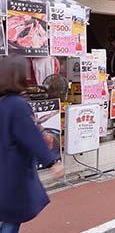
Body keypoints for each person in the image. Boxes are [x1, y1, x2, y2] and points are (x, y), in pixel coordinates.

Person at [0, 55, 64, 233]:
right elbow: (32, 137)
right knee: (12, 219)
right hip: (12, 173)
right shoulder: (17, 105)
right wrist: (52, 162)